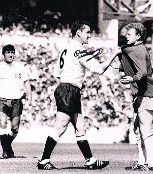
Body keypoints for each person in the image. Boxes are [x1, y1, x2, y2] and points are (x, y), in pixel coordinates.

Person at [37, 21, 121, 170]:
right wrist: (114, 54)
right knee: (60, 126)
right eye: (87, 32)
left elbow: (58, 73)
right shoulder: (79, 50)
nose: (90, 35)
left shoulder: (66, 49)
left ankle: (90, 161)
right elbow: (99, 69)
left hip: (66, 88)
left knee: (80, 127)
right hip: (70, 90)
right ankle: (43, 160)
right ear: (78, 33)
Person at [118, 23, 153, 171]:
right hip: (140, 94)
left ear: (138, 36)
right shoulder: (134, 50)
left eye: (129, 34)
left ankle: (150, 163)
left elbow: (142, 72)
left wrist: (131, 78)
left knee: (145, 129)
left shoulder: (140, 50)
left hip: (147, 93)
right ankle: (142, 161)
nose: (126, 36)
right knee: (138, 129)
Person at [0, 44, 32, 159]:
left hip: (16, 100)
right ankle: (5, 151)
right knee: (2, 123)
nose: (10, 54)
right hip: (2, 100)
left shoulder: (19, 67)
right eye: (8, 52)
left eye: (12, 52)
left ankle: (7, 147)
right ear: (3, 55)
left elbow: (26, 82)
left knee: (15, 128)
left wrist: (30, 96)